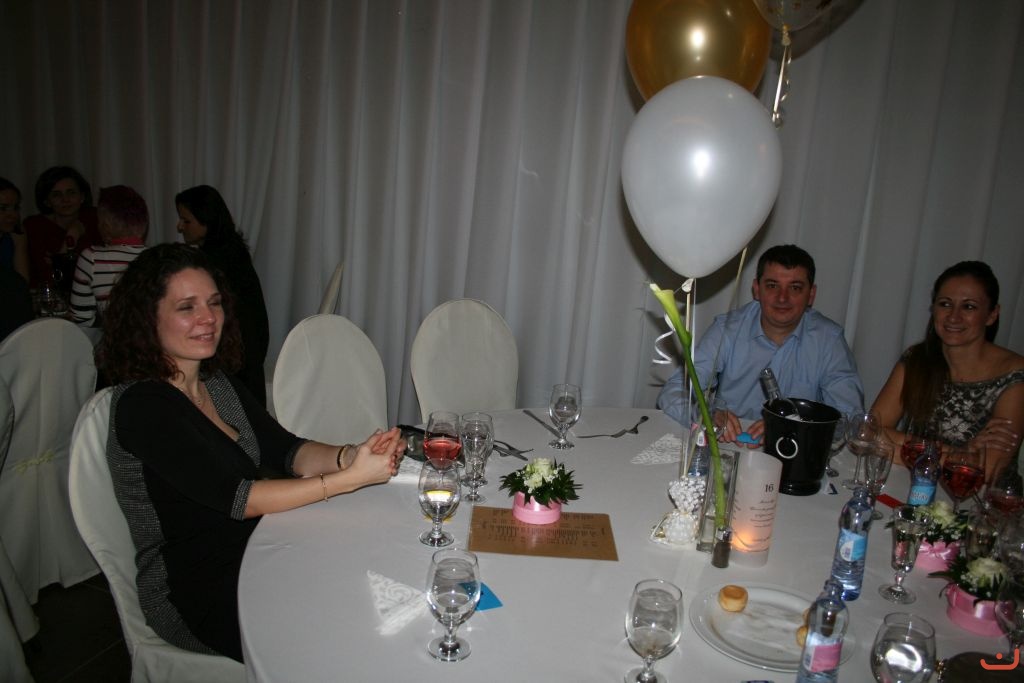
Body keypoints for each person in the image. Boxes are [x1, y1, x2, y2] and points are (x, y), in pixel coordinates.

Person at [98, 243, 404, 662]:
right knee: (346, 627)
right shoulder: (144, 406)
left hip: (259, 548)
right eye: (187, 307)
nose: (208, 318)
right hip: (196, 588)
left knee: (374, 572)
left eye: (214, 303)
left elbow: (288, 451)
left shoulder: (215, 382)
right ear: (147, 318)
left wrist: (349, 455)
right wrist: (347, 481)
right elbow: (240, 499)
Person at [657, 244, 864, 445]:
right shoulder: (727, 329)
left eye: (795, 288)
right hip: (730, 445)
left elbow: (849, 418)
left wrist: (793, 428)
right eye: (772, 286)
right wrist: (707, 415)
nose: (782, 298)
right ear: (756, 289)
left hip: (797, 450)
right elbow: (674, 391)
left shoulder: (829, 340)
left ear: (811, 295)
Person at [871, 261, 1024, 481]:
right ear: (933, 309)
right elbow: (872, 430)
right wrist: (962, 454)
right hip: (913, 483)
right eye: (945, 304)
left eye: (969, 307)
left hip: (979, 497)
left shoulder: (1015, 374)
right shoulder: (917, 359)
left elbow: (990, 469)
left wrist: (901, 450)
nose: (953, 316)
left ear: (992, 314)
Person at [175, 185, 270, 405]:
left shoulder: (212, 264)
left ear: (206, 221)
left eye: (186, 221)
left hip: (234, 368)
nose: (179, 226)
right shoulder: (233, 251)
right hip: (249, 362)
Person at [69, 185, 149, 328]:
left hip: (117, 339)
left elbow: (82, 319)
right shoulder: (158, 257)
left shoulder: (92, 258)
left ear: (105, 225)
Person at [23, 166, 102, 290]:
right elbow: (50, 278)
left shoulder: (96, 218)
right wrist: (71, 237)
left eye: (71, 193)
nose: (65, 200)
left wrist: (57, 261)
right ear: (46, 201)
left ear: (82, 196)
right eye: (56, 195)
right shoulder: (35, 226)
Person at [0, 177, 30, 282]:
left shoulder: (16, 235)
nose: (13, 215)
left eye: (15, 208)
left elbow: (22, 283)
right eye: (3, 208)